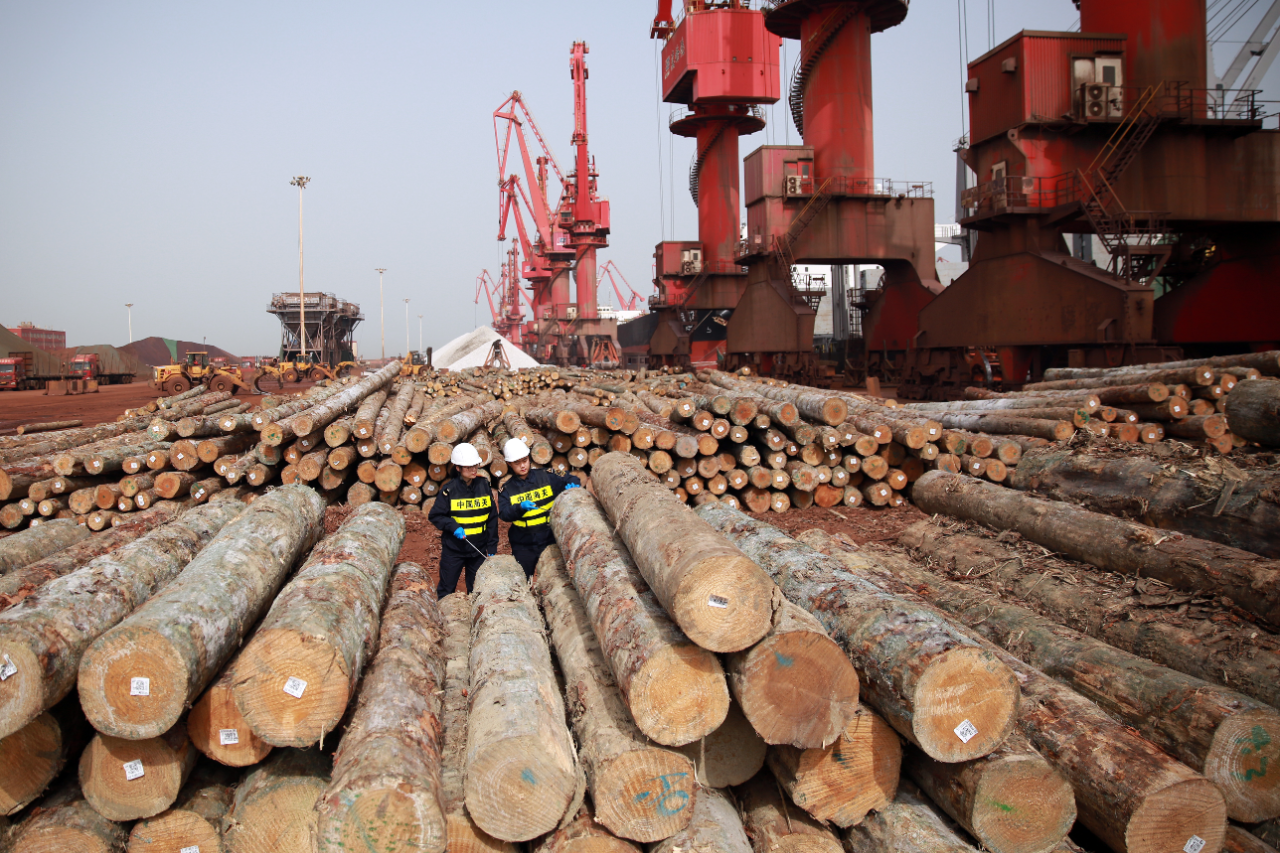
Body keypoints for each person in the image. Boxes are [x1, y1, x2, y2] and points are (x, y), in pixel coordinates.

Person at [497, 437, 581, 578]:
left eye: (525, 460)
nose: (522, 465)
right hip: (523, 544)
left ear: (529, 458)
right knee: (523, 581)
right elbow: (504, 514)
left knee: (556, 580)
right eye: (517, 463)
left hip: (550, 539)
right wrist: (520, 507)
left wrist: (573, 484)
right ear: (509, 464)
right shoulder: (508, 489)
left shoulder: (546, 476)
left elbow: (570, 477)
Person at [429, 443, 498, 599]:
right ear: (458, 468)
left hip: (478, 551)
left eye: (475, 465)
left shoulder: (484, 486)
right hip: (454, 551)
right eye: (468, 467)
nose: (473, 470)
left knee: (477, 592)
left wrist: (492, 546)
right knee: (447, 590)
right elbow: (436, 516)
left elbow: (492, 518)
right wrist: (453, 526)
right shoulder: (449, 490)